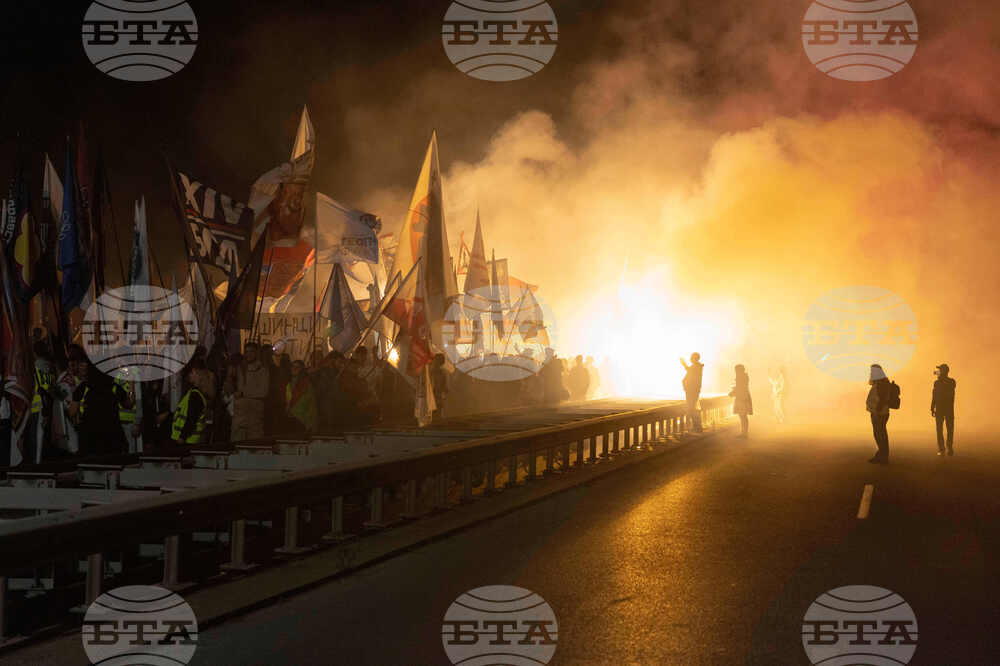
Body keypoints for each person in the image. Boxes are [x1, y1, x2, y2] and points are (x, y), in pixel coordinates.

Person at [231, 342, 269, 442]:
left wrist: (244, 393)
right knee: (237, 442)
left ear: (256, 353)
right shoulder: (240, 368)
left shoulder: (262, 370)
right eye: (246, 352)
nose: (249, 354)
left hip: (254, 413)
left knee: (254, 442)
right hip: (240, 414)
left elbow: (263, 392)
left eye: (251, 351)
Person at [171, 359, 213, 446]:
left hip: (188, 441)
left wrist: (182, 437)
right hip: (193, 440)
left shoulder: (195, 395)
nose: (188, 376)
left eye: (189, 373)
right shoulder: (199, 393)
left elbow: (191, 420)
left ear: (194, 372)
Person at [866, 364, 892, 464]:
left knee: (880, 434)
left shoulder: (881, 383)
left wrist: (877, 411)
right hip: (878, 412)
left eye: (872, 371)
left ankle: (883, 457)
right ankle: (881, 455)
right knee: (879, 434)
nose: (870, 373)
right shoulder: (880, 382)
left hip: (880, 413)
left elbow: (882, 399)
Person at [285, 359, 317, 435]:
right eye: (293, 366)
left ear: (301, 370)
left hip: (301, 418)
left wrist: (310, 422)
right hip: (290, 417)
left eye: (297, 367)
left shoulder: (306, 384)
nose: (294, 369)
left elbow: (311, 403)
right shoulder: (288, 383)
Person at [931, 363, 956, 456]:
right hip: (944, 408)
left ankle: (946, 448)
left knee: (947, 429)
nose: (938, 372)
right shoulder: (939, 382)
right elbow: (934, 395)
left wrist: (933, 407)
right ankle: (945, 448)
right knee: (943, 429)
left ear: (944, 371)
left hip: (945, 408)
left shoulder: (950, 382)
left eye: (940, 370)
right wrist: (932, 407)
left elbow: (939, 394)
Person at [680, 352, 704, 432]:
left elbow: (690, 371)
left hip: (692, 390)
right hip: (691, 390)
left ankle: (697, 427)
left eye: (692, 357)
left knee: (692, 408)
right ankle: (696, 427)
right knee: (693, 408)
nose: (690, 358)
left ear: (695, 358)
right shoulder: (696, 366)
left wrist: (683, 364)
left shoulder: (697, 366)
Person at [729, 364, 753, 437]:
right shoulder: (744, 376)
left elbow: (739, 387)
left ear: (739, 370)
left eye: (736, 370)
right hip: (744, 397)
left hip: (741, 398)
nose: (735, 372)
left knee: (742, 416)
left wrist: (732, 393)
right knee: (743, 416)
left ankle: (744, 433)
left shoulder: (740, 377)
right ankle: (744, 432)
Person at [429, 353, 449, 423]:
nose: (435, 362)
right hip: (431, 397)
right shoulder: (430, 371)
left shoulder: (443, 373)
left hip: (438, 397)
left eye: (437, 361)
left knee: (438, 416)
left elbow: (445, 387)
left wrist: (442, 394)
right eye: (436, 360)